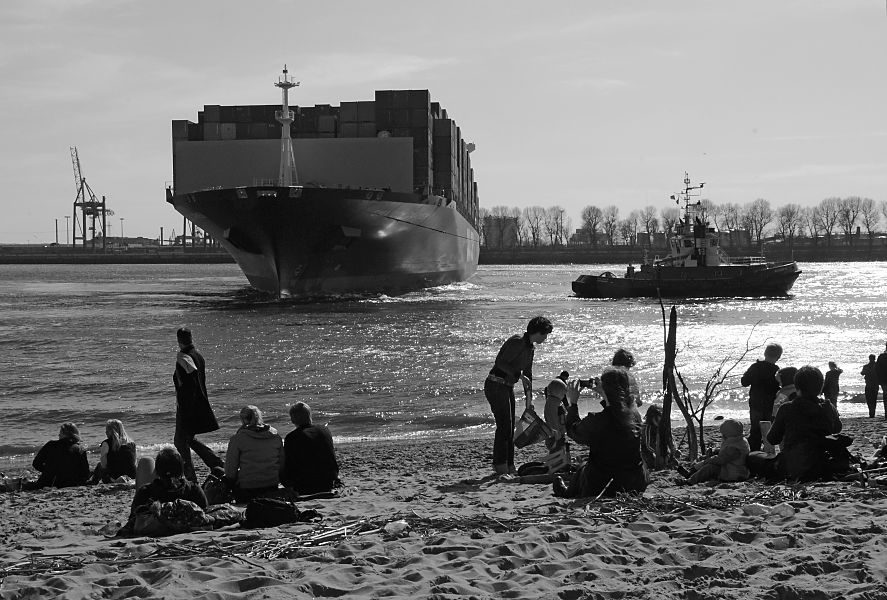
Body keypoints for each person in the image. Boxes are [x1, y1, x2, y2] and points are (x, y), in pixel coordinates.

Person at [561, 367, 649, 497]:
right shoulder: (635, 416)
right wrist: (605, 395)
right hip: (635, 483)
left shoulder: (597, 420)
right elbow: (616, 411)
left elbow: (574, 431)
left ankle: (566, 492)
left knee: (583, 468)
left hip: (603, 485)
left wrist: (573, 403)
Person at [484, 316, 553, 475]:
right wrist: (518, 375)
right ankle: (500, 467)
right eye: (545, 334)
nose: (546, 338)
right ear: (537, 332)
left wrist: (529, 401)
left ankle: (509, 466)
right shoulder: (517, 341)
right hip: (495, 384)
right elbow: (500, 362)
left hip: (507, 386)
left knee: (509, 428)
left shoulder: (531, 348)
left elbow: (528, 375)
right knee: (504, 427)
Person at [766, 365, 842, 482]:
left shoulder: (787, 408)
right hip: (822, 462)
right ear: (821, 386)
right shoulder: (828, 407)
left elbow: (772, 439)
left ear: (797, 386)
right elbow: (837, 429)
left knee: (754, 457)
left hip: (794, 464)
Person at [173, 327, 223, 482]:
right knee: (187, 439)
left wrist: (185, 408)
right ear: (190, 338)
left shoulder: (184, 358)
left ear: (179, 340)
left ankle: (191, 477)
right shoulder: (198, 355)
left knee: (180, 441)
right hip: (199, 404)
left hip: (188, 407)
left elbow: (190, 383)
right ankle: (215, 462)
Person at [120, 447, 208, 535]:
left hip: (154, 530)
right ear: (181, 469)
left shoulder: (146, 492)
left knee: (146, 461)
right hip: (188, 528)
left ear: (157, 470)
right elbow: (205, 515)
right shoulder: (193, 489)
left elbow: (133, 520)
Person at [224, 405, 284, 503]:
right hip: (272, 484)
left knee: (219, 471)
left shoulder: (238, 439)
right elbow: (281, 463)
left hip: (248, 488)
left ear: (243, 419)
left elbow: (231, 471)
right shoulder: (275, 436)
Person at [283, 402, 340, 494]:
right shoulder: (324, 430)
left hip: (305, 485)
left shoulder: (292, 437)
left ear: (293, 419)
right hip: (328, 481)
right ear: (309, 416)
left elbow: (289, 464)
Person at [740, 342, 782, 452]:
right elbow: (779, 388)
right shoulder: (776, 370)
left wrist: (747, 374)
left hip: (756, 402)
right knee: (768, 429)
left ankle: (754, 453)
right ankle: (768, 452)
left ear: (765, 353)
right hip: (770, 404)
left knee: (755, 430)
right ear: (778, 357)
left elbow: (744, 382)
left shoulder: (755, 367)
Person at [685, 419, 750, 484]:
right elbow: (726, 453)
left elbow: (721, 460)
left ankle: (690, 481)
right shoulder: (739, 441)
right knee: (706, 460)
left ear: (729, 434)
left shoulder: (734, 447)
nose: (722, 436)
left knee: (709, 468)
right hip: (730, 468)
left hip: (734, 473)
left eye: (724, 434)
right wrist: (715, 451)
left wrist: (707, 461)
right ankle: (692, 473)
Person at [29, 422, 90, 489]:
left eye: (60, 432)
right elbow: (85, 473)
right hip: (69, 484)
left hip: (47, 482)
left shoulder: (50, 445)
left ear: (64, 434)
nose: (58, 435)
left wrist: (48, 470)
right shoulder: (80, 449)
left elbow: (36, 464)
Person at [89, 419, 137, 484]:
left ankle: (93, 482)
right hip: (131, 477)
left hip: (114, 478)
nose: (105, 432)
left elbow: (104, 465)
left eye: (107, 430)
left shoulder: (106, 443)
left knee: (99, 466)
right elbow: (134, 463)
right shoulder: (132, 443)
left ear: (113, 431)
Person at [542, 377, 568, 450]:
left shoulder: (557, 402)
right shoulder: (552, 403)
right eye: (563, 394)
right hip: (554, 435)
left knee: (561, 449)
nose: (563, 396)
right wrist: (556, 431)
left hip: (559, 432)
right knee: (556, 450)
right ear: (558, 393)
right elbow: (551, 418)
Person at [861, 354, 879, 418]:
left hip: (869, 384)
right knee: (873, 399)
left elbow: (862, 373)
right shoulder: (877, 366)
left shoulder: (866, 366)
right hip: (874, 384)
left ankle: (871, 412)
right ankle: (872, 412)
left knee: (869, 399)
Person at [876, 343, 887, 420]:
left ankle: (886, 413)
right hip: (883, 380)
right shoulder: (881, 357)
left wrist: (879, 379)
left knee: (885, 396)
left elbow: (876, 369)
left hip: (884, 380)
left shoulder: (881, 357)